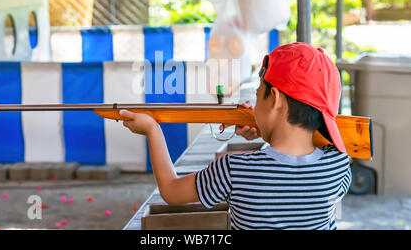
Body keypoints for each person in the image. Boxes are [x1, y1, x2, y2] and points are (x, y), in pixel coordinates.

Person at [119, 42, 352, 230]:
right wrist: (265, 131)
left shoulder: (234, 169)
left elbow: (170, 190)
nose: (254, 103)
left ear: (276, 99)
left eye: (259, 93)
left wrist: (152, 130)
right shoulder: (338, 165)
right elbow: (295, 156)